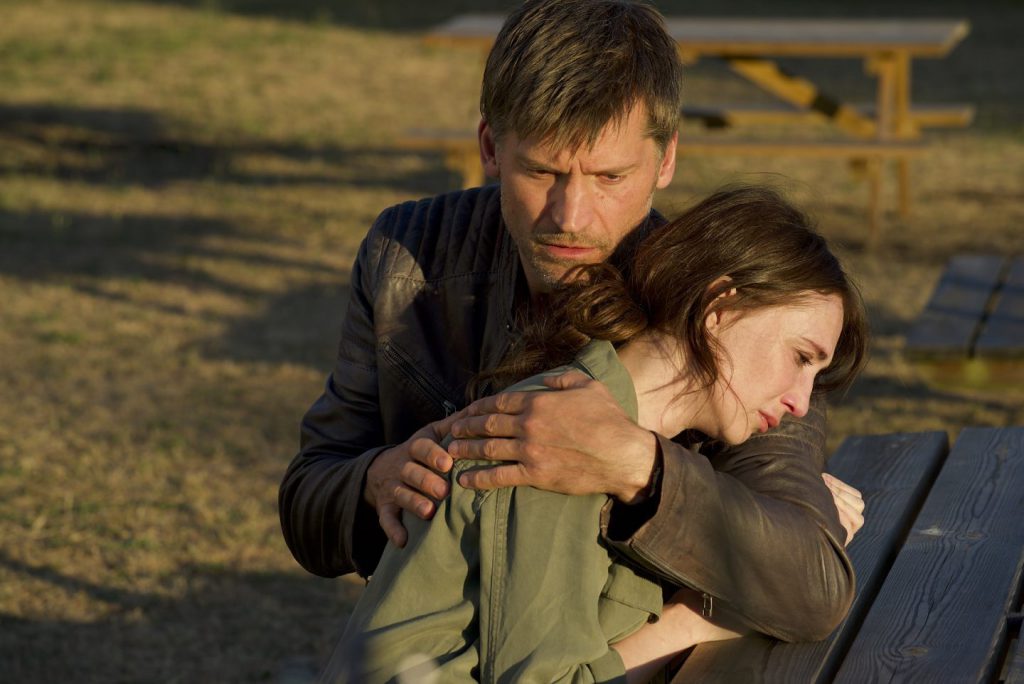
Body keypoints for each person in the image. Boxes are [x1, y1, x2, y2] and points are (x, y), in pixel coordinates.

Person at [279, 0, 865, 657]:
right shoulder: (407, 253)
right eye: (542, 172)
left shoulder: (720, 316)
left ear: (666, 159)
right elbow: (307, 501)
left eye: (611, 176)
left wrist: (638, 467)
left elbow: (813, 586)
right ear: (490, 147)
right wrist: (374, 481)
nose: (571, 215)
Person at [319, 186, 869, 684]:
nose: (800, 401)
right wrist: (698, 617)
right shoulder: (552, 442)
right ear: (719, 310)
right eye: (801, 358)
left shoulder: (626, 428)